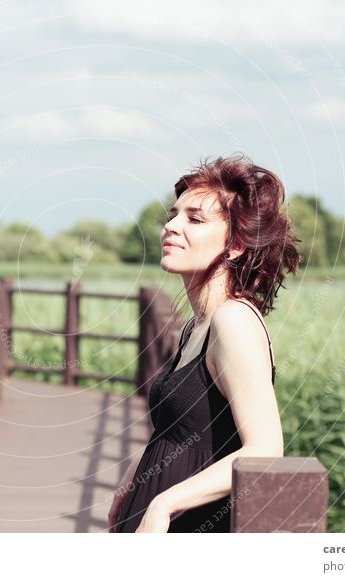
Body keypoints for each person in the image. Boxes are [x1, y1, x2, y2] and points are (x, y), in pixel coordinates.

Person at [109, 153, 302, 533]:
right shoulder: (195, 327)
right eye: (173, 215)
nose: (171, 227)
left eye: (194, 219)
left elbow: (265, 448)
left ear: (234, 247)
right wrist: (130, 483)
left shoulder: (233, 322)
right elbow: (177, 431)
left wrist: (164, 504)